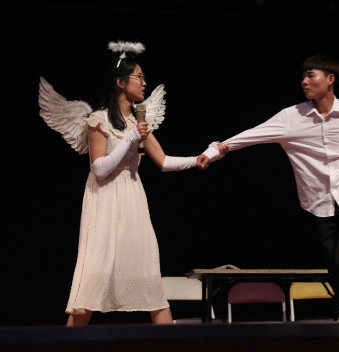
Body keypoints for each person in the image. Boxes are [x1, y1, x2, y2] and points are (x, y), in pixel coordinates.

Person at [197, 55, 339, 320]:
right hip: (319, 204)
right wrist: (214, 151)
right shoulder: (292, 117)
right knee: (336, 271)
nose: (304, 82)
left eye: (311, 76)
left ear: (330, 79)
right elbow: (251, 135)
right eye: (303, 77)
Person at [38, 41, 228, 326]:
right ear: (120, 82)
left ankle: (170, 343)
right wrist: (131, 137)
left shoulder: (137, 122)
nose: (144, 82)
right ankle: (69, 343)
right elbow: (99, 169)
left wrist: (200, 159)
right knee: (94, 273)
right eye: (139, 77)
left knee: (147, 271)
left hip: (132, 196)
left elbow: (163, 161)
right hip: (104, 198)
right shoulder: (98, 120)